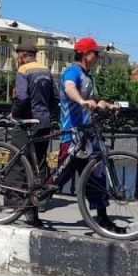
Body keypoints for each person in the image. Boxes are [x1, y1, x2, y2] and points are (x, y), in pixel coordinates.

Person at [47, 37, 127, 233]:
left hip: (88, 133)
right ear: (85, 54)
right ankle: (32, 205)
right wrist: (82, 101)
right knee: (60, 177)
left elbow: (96, 101)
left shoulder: (90, 77)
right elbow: (69, 88)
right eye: (95, 53)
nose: (98, 57)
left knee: (97, 174)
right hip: (73, 134)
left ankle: (102, 217)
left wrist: (109, 106)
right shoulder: (72, 72)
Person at [8, 42, 57, 225]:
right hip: (44, 122)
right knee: (39, 163)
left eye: (17, 56)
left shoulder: (23, 70)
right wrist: (45, 112)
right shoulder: (46, 70)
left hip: (27, 122)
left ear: (21, 55)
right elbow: (56, 98)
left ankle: (15, 202)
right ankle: (39, 202)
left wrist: (16, 113)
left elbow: (22, 97)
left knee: (18, 161)